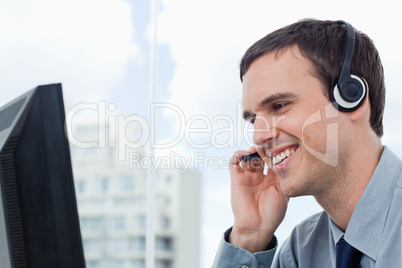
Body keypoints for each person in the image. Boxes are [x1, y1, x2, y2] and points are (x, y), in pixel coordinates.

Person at [212, 19, 402, 267]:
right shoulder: (299, 252)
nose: (259, 137)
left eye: (279, 106)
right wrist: (249, 237)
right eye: (253, 120)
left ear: (351, 97)